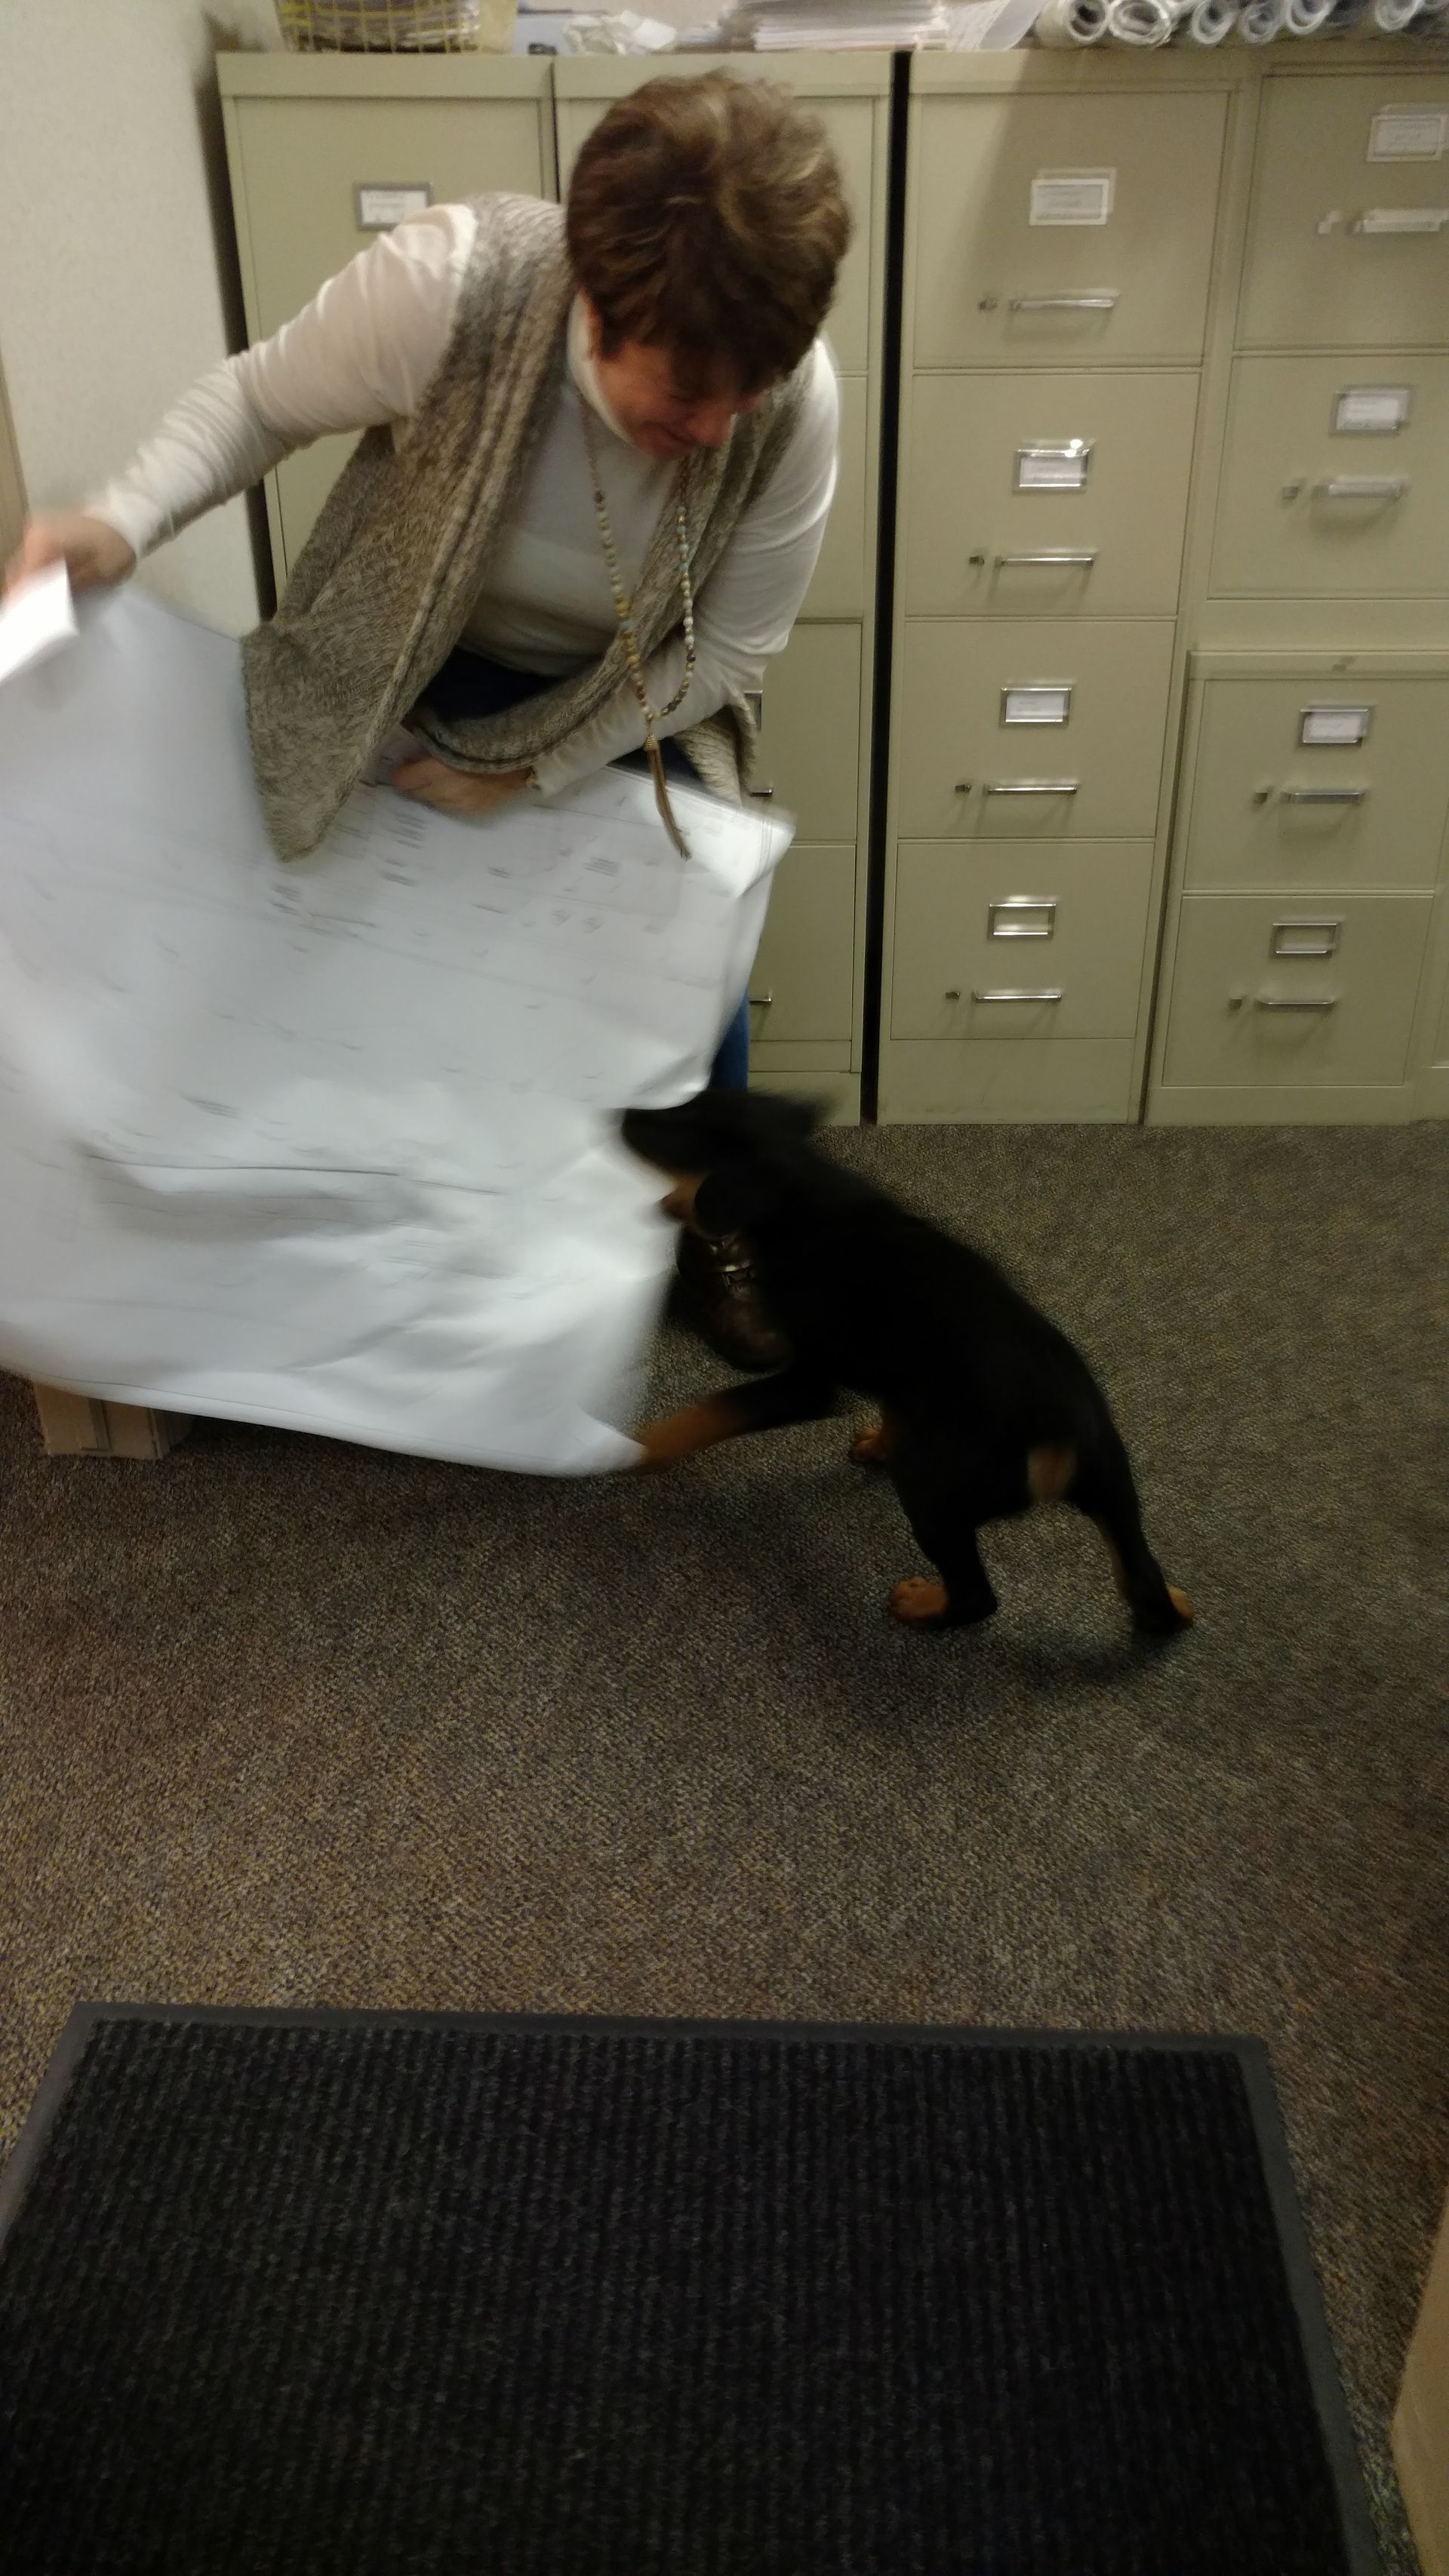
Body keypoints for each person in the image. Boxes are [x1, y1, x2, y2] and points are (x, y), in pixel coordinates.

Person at [4, 72, 851, 1369]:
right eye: (685, 394)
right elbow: (254, 404)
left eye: (747, 396)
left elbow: (732, 648)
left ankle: (705, 1241)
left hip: (629, 691)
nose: (715, 429)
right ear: (598, 300)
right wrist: (119, 521)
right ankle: (353, 1220)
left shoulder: (787, 401)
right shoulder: (459, 284)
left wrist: (539, 767)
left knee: (696, 951)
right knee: (321, 907)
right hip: (412, 641)